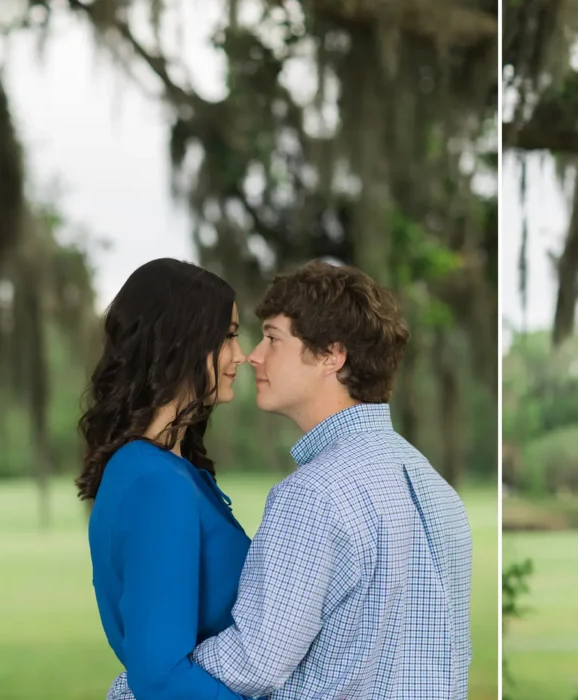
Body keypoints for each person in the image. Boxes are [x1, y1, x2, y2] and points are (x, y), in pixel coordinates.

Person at [107, 260, 474, 700]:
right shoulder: (437, 491)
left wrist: (134, 688)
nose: (252, 356)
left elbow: (255, 661)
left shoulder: (315, 495)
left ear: (331, 355)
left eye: (272, 338)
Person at [79, 258, 253, 700]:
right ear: (182, 340)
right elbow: (161, 678)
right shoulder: (156, 485)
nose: (242, 354)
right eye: (229, 335)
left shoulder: (158, 469)